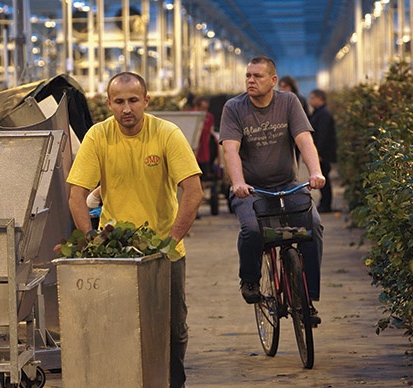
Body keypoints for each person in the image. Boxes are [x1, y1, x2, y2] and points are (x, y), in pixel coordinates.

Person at [66, 71, 203, 388]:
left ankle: (172, 382)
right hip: (117, 251)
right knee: (116, 326)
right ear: (108, 104)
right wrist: (91, 240)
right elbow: (76, 195)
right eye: (119, 101)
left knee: (172, 328)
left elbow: (193, 191)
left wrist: (171, 241)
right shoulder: (98, 137)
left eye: (133, 100)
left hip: (164, 251)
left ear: (146, 101)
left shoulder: (167, 134)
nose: (127, 108)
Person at [218, 56, 325, 325]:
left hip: (288, 185)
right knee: (252, 230)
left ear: (274, 81)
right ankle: (250, 279)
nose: (251, 81)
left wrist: (315, 172)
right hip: (252, 189)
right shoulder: (234, 107)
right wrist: (238, 183)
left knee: (314, 226)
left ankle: (307, 298)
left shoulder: (289, 102)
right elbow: (231, 149)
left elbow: (304, 140)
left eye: (258, 76)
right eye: (248, 76)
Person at [309, 89, 337, 213]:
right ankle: (324, 202)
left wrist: (317, 153)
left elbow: (322, 135)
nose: (310, 101)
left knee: (324, 177)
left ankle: (326, 204)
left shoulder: (324, 113)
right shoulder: (319, 112)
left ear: (319, 99)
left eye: (312, 98)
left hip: (324, 152)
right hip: (321, 151)